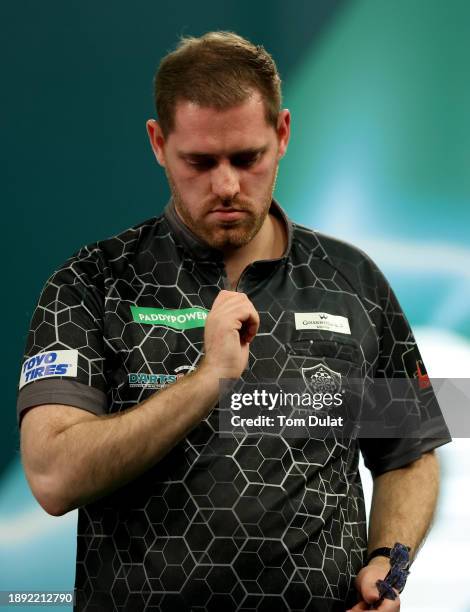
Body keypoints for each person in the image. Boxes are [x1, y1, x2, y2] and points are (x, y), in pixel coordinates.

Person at [17, 31, 451, 612]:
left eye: (247, 159)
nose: (226, 186)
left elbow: (411, 453)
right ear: (157, 142)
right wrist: (206, 381)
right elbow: (51, 478)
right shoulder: (90, 283)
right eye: (199, 161)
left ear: (283, 134)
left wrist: (387, 564)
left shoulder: (356, 280)